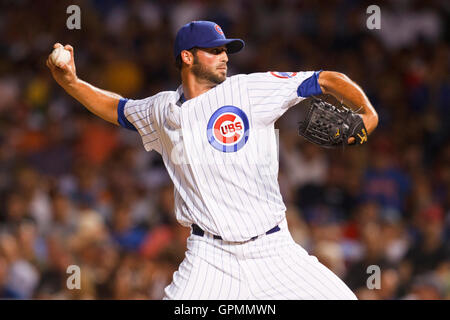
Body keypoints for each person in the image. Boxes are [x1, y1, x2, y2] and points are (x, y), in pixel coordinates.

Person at [47, 20, 378, 299]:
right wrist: (72, 83)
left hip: (274, 248)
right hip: (209, 255)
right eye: (215, 50)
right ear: (187, 57)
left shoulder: (248, 90)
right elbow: (116, 108)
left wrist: (367, 114)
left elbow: (325, 79)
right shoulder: (162, 109)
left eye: (225, 51)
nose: (224, 57)